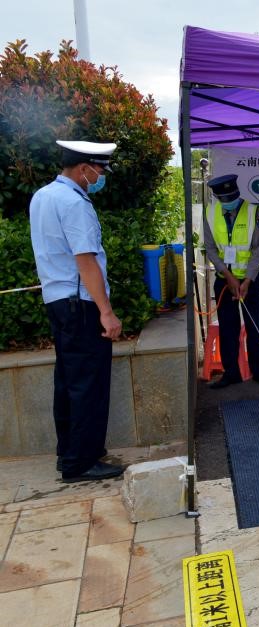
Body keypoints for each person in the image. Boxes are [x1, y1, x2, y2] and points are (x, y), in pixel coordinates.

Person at [29, 140, 124, 482]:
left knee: (68, 381)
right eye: (99, 171)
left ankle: (68, 453)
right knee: (88, 383)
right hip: (80, 302)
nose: (100, 178)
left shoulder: (42, 196)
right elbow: (85, 260)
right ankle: (82, 462)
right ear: (83, 169)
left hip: (57, 301)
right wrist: (106, 312)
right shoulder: (75, 203)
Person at [203, 174, 259, 388]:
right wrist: (228, 276)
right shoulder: (210, 213)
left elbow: (257, 250)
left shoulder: (253, 211)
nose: (229, 202)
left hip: (250, 280)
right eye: (225, 199)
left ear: (237, 193)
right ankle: (231, 373)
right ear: (218, 198)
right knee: (228, 327)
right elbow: (210, 248)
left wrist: (247, 280)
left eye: (232, 198)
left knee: (254, 324)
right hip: (224, 281)